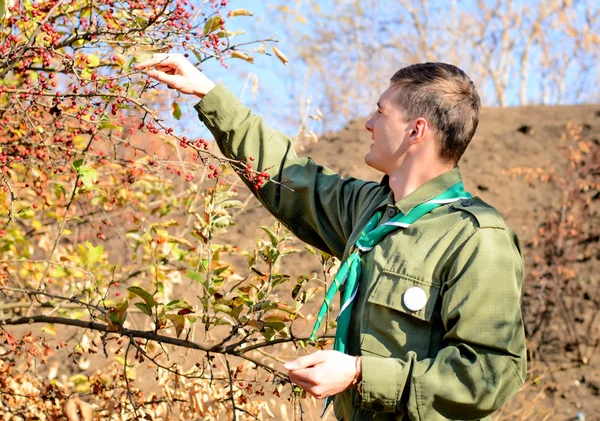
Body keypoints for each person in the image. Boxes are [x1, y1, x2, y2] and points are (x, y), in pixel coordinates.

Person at [136, 54, 527, 421]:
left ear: (415, 130)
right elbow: (288, 176)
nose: (368, 123)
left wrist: (360, 372)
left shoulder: (475, 238)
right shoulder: (370, 210)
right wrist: (207, 91)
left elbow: (493, 371)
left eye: (381, 111)